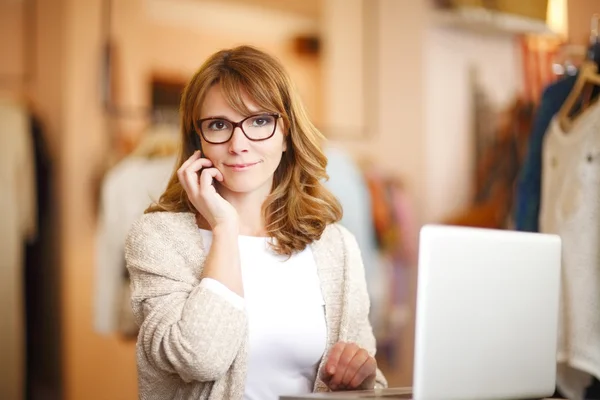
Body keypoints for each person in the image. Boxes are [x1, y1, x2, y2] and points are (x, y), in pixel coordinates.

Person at [124, 45, 387, 400]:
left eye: (259, 121)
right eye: (218, 125)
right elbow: (200, 359)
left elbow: (373, 382)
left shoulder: (335, 247)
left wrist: (364, 379)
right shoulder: (158, 239)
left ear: (286, 133)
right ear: (196, 139)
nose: (238, 144)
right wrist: (225, 227)